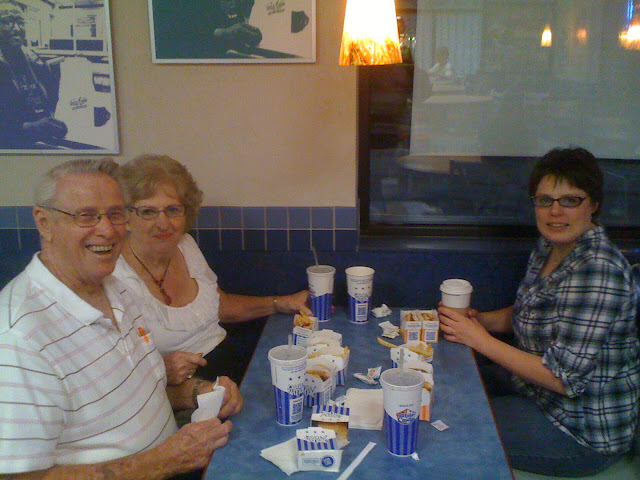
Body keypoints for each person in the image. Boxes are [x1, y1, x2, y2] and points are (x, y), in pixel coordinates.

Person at [0, 159, 242, 480]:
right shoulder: (19, 338)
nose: (108, 230)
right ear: (44, 222)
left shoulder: (115, 287)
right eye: (86, 216)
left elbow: (134, 398)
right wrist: (160, 462)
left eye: (116, 214)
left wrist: (196, 392)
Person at [438, 147, 640, 477]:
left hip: (578, 430)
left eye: (570, 200)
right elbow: (531, 311)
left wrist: (477, 338)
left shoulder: (599, 271)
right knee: (443, 385)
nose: (555, 211)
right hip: (534, 392)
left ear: (593, 204)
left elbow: (562, 379)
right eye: (545, 200)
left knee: (449, 421)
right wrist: (480, 321)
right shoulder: (551, 247)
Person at [113, 154, 311, 386]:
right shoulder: (112, 274)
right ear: (125, 217)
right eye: (148, 212)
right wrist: (158, 370)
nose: (163, 223)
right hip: (179, 387)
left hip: (231, 364)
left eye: (173, 210)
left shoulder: (185, 245)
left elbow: (221, 306)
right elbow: (108, 371)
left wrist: (281, 302)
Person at [0, 1, 68, 149]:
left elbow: (49, 97)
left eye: (20, 22)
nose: (16, 29)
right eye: (7, 22)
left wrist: (49, 120)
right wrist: (30, 127)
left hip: (34, 139)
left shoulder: (33, 60)